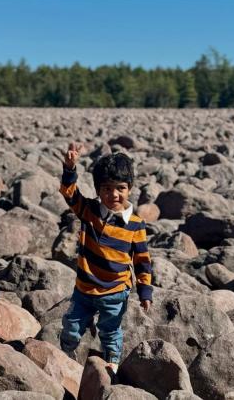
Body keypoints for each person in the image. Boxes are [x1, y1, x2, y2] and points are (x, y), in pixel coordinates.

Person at [58, 142, 152, 373]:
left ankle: (112, 363)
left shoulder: (136, 224)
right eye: (107, 189)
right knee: (71, 326)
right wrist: (70, 168)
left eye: (120, 188)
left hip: (115, 292)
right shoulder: (88, 210)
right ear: (98, 190)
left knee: (110, 330)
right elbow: (69, 193)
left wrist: (145, 291)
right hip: (84, 289)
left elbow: (142, 260)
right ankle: (64, 357)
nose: (114, 194)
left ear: (129, 188)